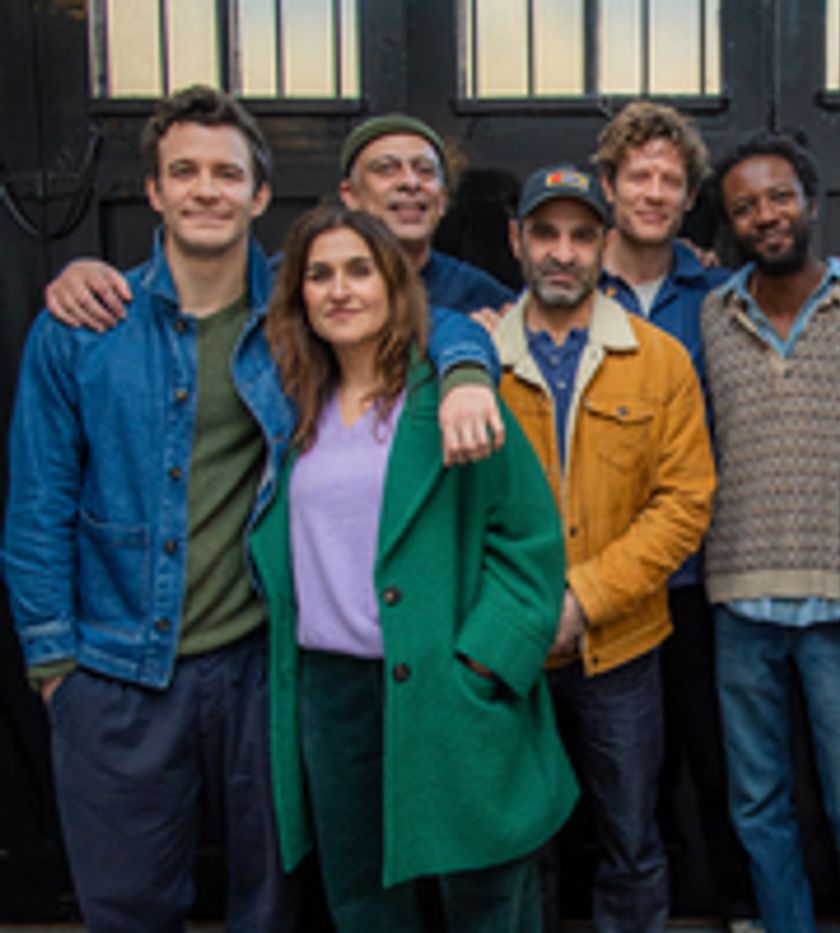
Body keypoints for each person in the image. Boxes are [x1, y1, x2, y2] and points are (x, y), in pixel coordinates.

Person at [3, 86, 499, 932]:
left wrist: (466, 370)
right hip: (116, 671)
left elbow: (430, 320)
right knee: (127, 907)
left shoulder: (299, 314)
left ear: (259, 196)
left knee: (269, 905)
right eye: (183, 172)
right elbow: (37, 504)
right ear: (154, 191)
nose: (206, 190)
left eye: (226, 174)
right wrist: (56, 669)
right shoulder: (83, 328)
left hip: (261, 666)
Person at [250, 204, 576, 932]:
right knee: (363, 899)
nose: (340, 289)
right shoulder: (289, 409)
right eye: (320, 274)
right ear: (298, 293)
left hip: (449, 683)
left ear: (395, 285)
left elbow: (530, 543)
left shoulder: (451, 398)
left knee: (486, 895)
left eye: (360, 270)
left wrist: (485, 662)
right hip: (334, 698)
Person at [492, 164, 714, 933]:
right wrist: (523, 612)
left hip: (620, 649)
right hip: (506, 651)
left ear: (605, 245)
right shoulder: (474, 362)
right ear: (516, 241)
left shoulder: (659, 359)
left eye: (581, 235)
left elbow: (684, 503)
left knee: (631, 839)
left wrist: (584, 598)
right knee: (524, 845)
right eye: (545, 233)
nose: (562, 252)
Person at [43, 112, 508, 461]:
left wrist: (468, 369)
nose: (410, 183)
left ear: (443, 199)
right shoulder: (286, 283)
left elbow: (447, 327)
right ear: (349, 195)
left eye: (425, 172)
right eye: (387, 169)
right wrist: (83, 273)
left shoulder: (480, 295)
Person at [701, 132, 840, 933]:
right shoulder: (709, 313)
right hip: (738, 603)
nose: (765, 215)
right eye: (744, 206)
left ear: (811, 204)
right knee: (759, 807)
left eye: (779, 197)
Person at [591, 100, 755, 927]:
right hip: (603, 573)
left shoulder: (722, 292)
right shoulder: (572, 283)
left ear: (689, 197)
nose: (653, 192)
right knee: (620, 771)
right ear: (610, 184)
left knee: (718, 760)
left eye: (670, 180)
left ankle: (734, 905)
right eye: (639, 176)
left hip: (699, 573)